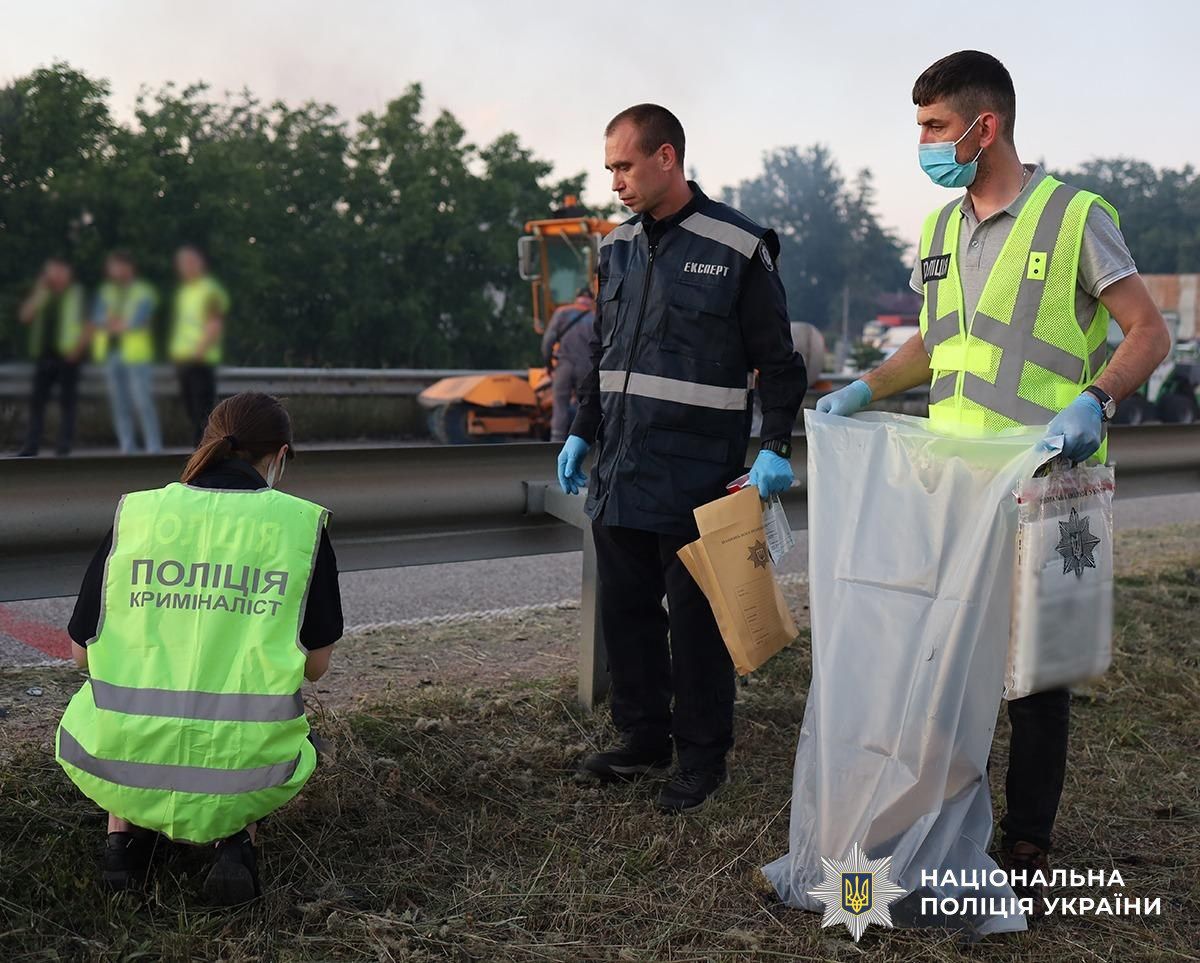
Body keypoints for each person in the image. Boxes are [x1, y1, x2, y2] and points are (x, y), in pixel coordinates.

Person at [816, 50, 1170, 910]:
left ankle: (1028, 835)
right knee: (939, 653)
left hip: (1046, 479)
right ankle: (946, 814)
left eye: (937, 127)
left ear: (987, 126)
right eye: (922, 129)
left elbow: (1148, 334)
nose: (927, 145)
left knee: (1033, 669)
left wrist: (1096, 398)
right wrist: (864, 387)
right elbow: (935, 344)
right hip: (951, 485)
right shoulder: (939, 230)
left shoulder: (1074, 216)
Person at [556, 104, 806, 812]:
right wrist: (582, 429)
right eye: (609, 169)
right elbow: (607, 357)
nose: (615, 183)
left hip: (699, 476)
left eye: (625, 166)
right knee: (626, 614)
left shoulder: (738, 245)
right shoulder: (616, 248)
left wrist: (775, 447)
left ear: (667, 158)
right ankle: (643, 739)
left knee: (697, 627)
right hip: (622, 469)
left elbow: (779, 365)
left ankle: (702, 758)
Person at [56, 391, 343, 904]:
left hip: (117, 760)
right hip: (245, 768)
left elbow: (81, 654)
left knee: (114, 701)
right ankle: (236, 844)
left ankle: (122, 843)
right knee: (270, 719)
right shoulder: (299, 527)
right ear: (279, 456)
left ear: (210, 443)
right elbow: (316, 667)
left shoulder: (138, 514)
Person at [92, 250, 163, 454]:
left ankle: (154, 448)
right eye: (112, 267)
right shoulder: (106, 291)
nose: (115, 271)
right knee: (119, 404)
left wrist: (113, 322)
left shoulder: (143, 291)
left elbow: (137, 321)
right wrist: (118, 323)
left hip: (136, 356)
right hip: (111, 353)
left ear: (129, 268)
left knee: (142, 402)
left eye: (119, 266)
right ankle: (127, 447)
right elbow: (97, 319)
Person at [16, 256, 88, 456]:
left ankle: (63, 447)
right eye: (51, 271)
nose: (55, 275)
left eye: (59, 271)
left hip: (68, 356)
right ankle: (31, 445)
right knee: (37, 401)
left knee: (67, 402)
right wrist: (39, 291)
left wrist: (77, 351)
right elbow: (25, 317)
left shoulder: (77, 293)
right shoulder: (42, 293)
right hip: (45, 355)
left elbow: (89, 324)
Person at [169, 245, 230, 444]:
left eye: (190, 262)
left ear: (200, 264)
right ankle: (200, 452)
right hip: (183, 360)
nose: (185, 267)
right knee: (192, 412)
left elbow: (214, 323)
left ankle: (204, 454)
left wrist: (199, 352)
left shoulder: (209, 289)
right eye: (182, 264)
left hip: (200, 359)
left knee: (203, 413)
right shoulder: (185, 292)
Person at [541, 287, 597, 442]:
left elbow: (547, 342)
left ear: (576, 298)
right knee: (584, 406)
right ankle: (581, 441)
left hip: (564, 366)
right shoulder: (595, 317)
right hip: (586, 368)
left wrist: (549, 365)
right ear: (591, 300)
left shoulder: (562, 313)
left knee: (560, 406)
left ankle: (556, 441)